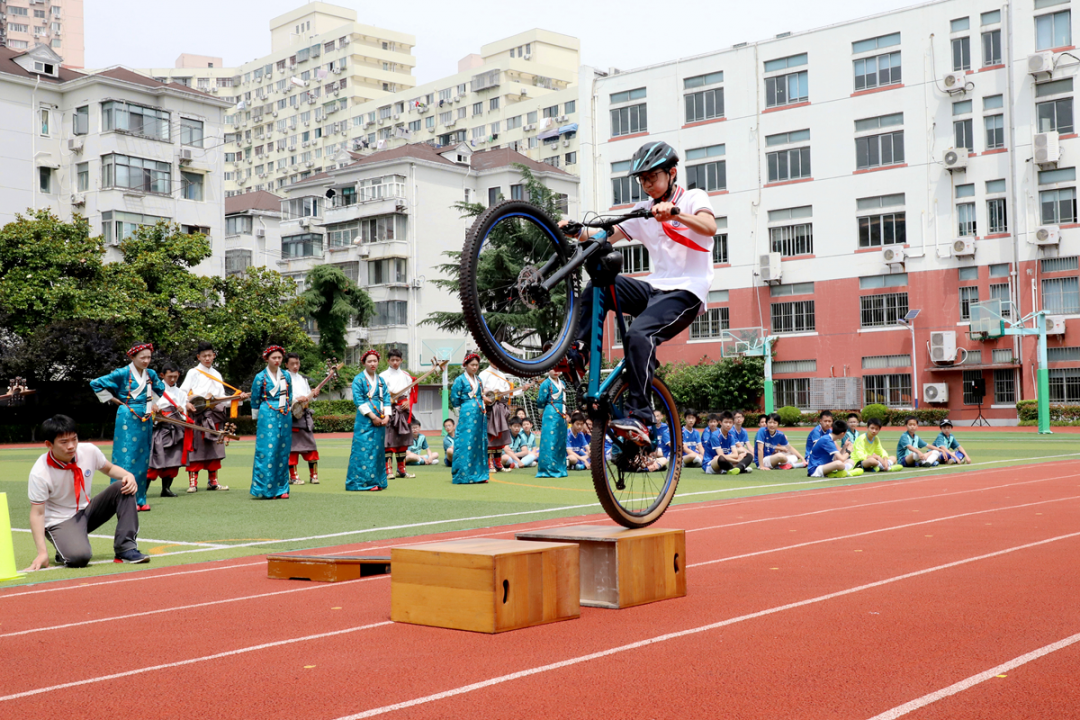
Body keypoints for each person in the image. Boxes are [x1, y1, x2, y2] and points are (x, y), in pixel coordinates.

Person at [562, 141, 717, 446]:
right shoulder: (642, 211)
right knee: (600, 285)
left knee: (637, 335)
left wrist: (674, 212)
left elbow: (709, 226)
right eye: (642, 180)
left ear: (672, 173)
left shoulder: (692, 198)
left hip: (687, 291)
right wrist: (576, 231)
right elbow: (605, 236)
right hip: (654, 288)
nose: (646, 185)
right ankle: (578, 351)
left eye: (652, 177)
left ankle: (642, 417)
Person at [26, 414, 149, 569]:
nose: (71, 446)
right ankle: (64, 546)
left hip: (87, 511)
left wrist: (128, 475)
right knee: (79, 558)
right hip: (60, 521)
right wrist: (42, 552)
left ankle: (126, 548)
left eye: (74, 439)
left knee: (123, 486)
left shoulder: (89, 451)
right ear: (49, 444)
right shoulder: (40, 472)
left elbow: (109, 469)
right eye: (64, 442)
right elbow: (37, 514)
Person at [89, 342, 166, 512]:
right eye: (142, 357)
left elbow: (160, 388)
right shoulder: (123, 372)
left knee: (143, 457)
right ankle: (120, 499)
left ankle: (140, 498)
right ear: (132, 357)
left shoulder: (151, 374)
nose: (146, 361)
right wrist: (113, 399)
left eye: (149, 357)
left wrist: (152, 403)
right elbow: (95, 383)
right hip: (127, 415)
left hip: (145, 417)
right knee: (125, 456)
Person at [180, 341, 249, 493]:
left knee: (214, 448)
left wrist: (238, 398)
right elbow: (182, 393)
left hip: (214, 416)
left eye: (210, 355)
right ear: (198, 357)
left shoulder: (217, 374)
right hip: (197, 415)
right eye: (204, 356)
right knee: (196, 448)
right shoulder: (193, 372)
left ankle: (213, 481)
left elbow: (222, 399)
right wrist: (190, 403)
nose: (207, 358)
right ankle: (193, 482)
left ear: (214, 356)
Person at [250, 345, 293, 499]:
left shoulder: (286, 376)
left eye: (280, 358)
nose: (277, 360)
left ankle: (282, 488)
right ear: (267, 359)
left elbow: (290, 395)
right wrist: (257, 419)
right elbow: (255, 399)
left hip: (284, 414)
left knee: (282, 451)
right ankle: (265, 489)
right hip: (267, 413)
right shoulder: (260, 377)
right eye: (274, 357)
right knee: (268, 451)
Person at [346, 349, 391, 491]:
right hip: (365, 420)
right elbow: (358, 400)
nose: (373, 364)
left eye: (375, 361)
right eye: (369, 361)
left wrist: (387, 416)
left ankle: (378, 481)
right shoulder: (358, 379)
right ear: (364, 363)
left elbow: (387, 398)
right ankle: (361, 482)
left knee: (377, 450)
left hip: (381, 419)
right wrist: (373, 416)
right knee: (363, 449)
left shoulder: (381, 380)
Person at [148, 363, 187, 497]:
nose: (172, 379)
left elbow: (184, 416)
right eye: (170, 376)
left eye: (175, 377)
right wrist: (154, 408)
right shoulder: (153, 390)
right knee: (153, 460)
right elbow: (148, 407)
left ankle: (166, 489)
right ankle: (143, 490)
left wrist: (182, 410)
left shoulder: (181, 393)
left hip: (176, 430)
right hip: (159, 429)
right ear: (162, 375)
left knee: (173, 460)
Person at [450, 352, 489, 484]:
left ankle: (479, 474)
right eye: (472, 365)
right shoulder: (460, 380)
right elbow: (455, 398)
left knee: (478, 443)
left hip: (479, 413)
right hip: (466, 414)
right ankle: (463, 474)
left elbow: (481, 395)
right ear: (465, 365)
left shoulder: (479, 380)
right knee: (465, 442)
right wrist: (459, 410)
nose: (474, 367)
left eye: (477, 365)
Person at [380, 348, 416, 481]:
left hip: (403, 410)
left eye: (397, 360)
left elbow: (411, 394)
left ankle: (402, 469)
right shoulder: (383, 376)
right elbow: (381, 395)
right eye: (392, 360)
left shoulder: (406, 376)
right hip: (389, 409)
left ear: (401, 360)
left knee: (403, 439)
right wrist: (388, 401)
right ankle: (388, 470)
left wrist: (408, 402)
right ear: (388, 361)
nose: (395, 362)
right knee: (389, 440)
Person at [286, 353, 321, 485]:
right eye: (292, 364)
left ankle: (314, 475)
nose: (296, 366)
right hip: (291, 416)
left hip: (304, 416)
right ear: (286, 365)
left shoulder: (302, 379)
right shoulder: (283, 378)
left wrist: (314, 394)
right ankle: (293, 476)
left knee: (311, 446)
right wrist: (295, 399)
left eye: (297, 363)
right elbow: (283, 397)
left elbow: (307, 398)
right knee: (292, 448)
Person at [479, 363, 515, 473]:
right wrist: (487, 392)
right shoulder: (483, 374)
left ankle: (498, 464)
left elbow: (508, 393)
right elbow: (479, 392)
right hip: (490, 408)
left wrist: (522, 389)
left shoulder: (502, 375)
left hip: (501, 407)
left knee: (500, 436)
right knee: (491, 435)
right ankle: (489, 464)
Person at [535, 367, 569, 479]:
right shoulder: (545, 383)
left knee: (560, 440)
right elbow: (541, 400)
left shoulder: (562, 383)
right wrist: (541, 412)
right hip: (550, 412)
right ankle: (547, 468)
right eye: (553, 368)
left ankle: (560, 468)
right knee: (550, 440)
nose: (556, 371)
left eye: (559, 368)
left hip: (561, 413)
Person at [707, 411, 753, 475]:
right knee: (720, 458)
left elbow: (735, 454)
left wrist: (736, 457)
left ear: (733, 423)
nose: (728, 425)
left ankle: (734, 469)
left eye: (730, 422)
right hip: (711, 464)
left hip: (727, 460)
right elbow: (721, 455)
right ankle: (739, 468)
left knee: (748, 455)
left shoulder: (731, 436)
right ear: (720, 423)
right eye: (726, 422)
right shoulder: (715, 435)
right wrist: (737, 460)